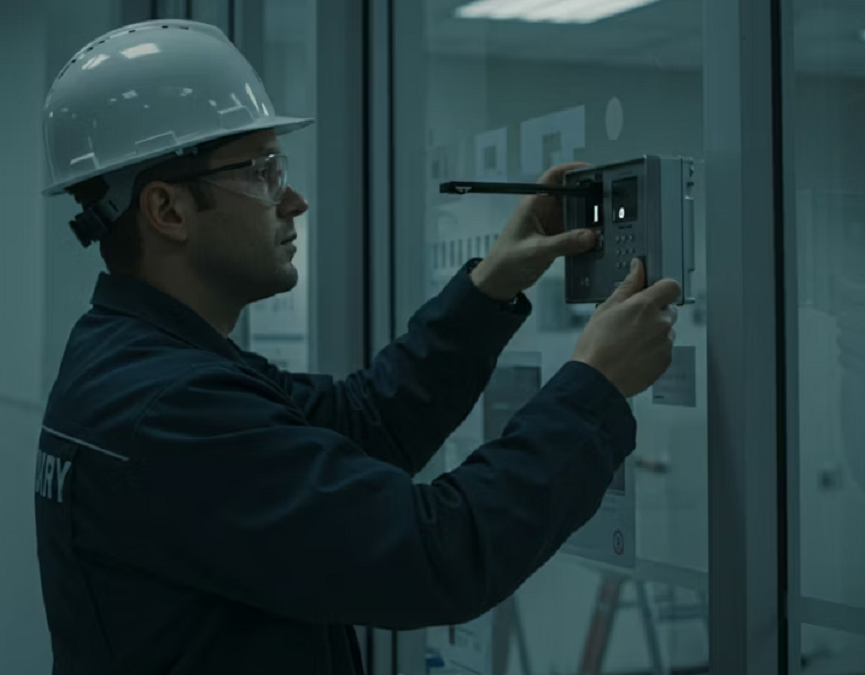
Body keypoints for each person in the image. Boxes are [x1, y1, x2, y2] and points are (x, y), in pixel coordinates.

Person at [35, 19, 681, 675]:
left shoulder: (133, 361)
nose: (295, 199)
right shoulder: (169, 406)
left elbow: (363, 420)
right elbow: (436, 554)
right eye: (261, 172)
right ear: (167, 210)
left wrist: (490, 286)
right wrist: (591, 388)